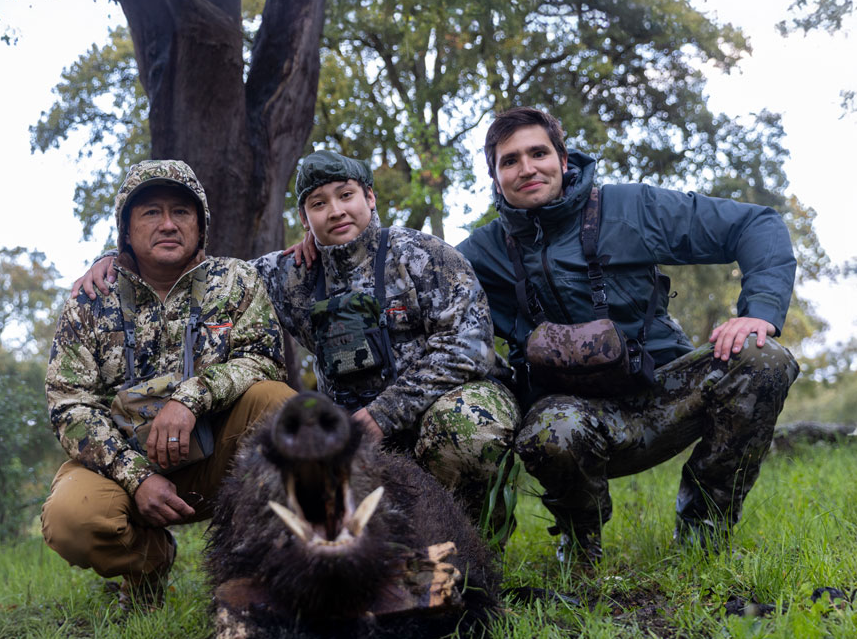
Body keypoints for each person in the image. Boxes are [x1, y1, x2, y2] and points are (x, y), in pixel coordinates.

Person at [75, 151, 520, 530]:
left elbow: (471, 347)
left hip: (446, 403)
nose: (337, 212)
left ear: (370, 197)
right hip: (356, 428)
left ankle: (476, 544)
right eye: (319, 204)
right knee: (313, 464)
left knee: (465, 427)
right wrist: (117, 258)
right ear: (306, 218)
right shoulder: (288, 275)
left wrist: (385, 413)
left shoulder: (423, 255)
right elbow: (208, 277)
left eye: (347, 196)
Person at [455, 107, 800, 562]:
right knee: (550, 429)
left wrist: (759, 312)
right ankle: (580, 545)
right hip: (571, 418)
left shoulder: (631, 207)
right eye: (510, 161)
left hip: (664, 393)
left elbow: (756, 224)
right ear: (495, 177)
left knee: (763, 357)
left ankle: (703, 535)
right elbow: (415, 287)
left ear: (562, 158)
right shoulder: (479, 253)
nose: (527, 168)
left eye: (538, 152)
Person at [44, 160, 293, 609]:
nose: (168, 224)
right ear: (125, 229)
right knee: (70, 518)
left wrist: (190, 399)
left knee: (279, 405)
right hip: (123, 470)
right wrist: (135, 477)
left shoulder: (236, 281)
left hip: (219, 461)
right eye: (150, 212)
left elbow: (266, 363)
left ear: (200, 225)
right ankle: (150, 562)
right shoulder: (89, 301)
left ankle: (266, 569)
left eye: (181, 212)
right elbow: (70, 406)